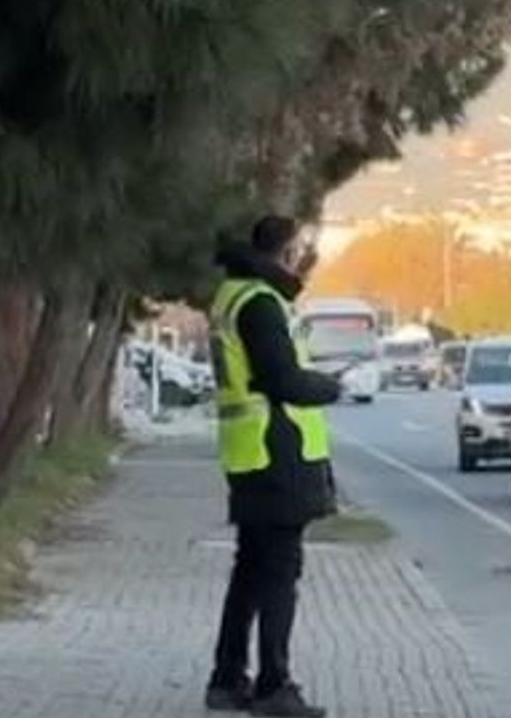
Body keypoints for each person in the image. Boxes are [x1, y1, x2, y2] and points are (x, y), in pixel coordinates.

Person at [205, 216, 342, 718]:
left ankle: (226, 678)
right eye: (302, 251)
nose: (305, 260)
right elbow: (282, 379)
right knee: (280, 571)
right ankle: (273, 685)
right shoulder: (260, 304)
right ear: (285, 253)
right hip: (276, 450)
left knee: (251, 568)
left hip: (248, 451)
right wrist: (330, 387)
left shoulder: (231, 296)